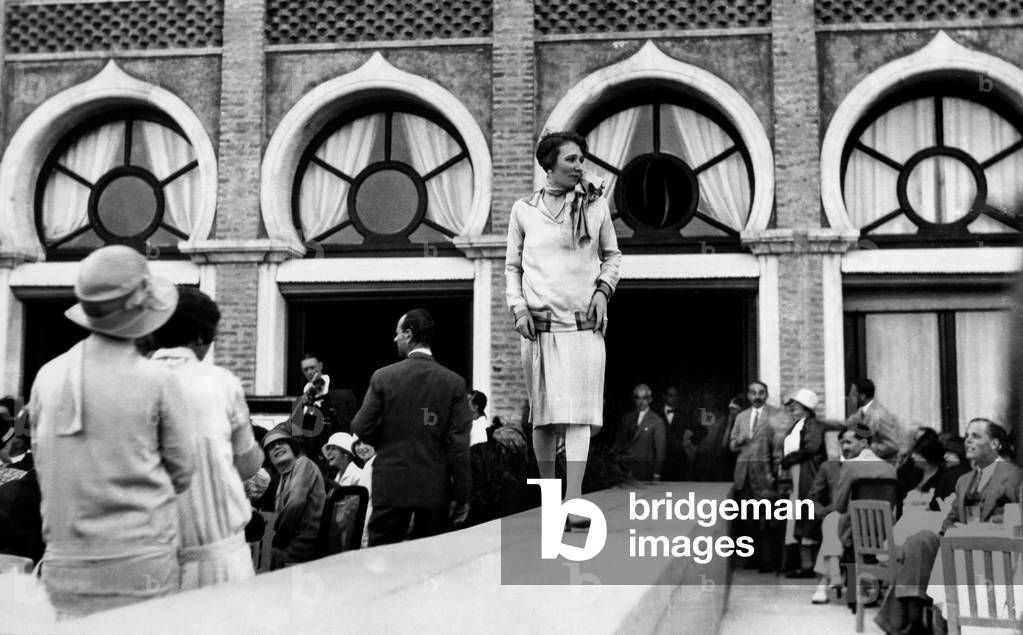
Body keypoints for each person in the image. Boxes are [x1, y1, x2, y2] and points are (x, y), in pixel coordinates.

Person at [28, 245, 194, 618]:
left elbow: (44, 467)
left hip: (66, 571)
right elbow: (182, 473)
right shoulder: (157, 380)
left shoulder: (47, 377)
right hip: (142, 572)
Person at [505, 130, 622, 529]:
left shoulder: (595, 205)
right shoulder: (523, 210)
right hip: (539, 329)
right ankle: (550, 502)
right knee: (544, 418)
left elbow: (612, 255)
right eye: (571, 159)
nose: (579, 165)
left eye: (581, 158)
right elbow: (512, 267)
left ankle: (574, 501)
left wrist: (604, 291)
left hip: (583, 328)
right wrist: (517, 308)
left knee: (577, 417)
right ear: (549, 164)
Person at [149, 287, 264, 589]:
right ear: (201, 337)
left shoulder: (130, 383)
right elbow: (247, 464)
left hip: (150, 560)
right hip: (219, 556)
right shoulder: (220, 382)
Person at [875, 418, 1023, 634]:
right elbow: (951, 519)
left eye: (976, 436)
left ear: (994, 444)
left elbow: (1016, 520)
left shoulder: (1013, 476)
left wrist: (977, 530)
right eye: (967, 436)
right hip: (959, 544)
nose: (968, 441)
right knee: (920, 540)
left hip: (994, 550)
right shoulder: (965, 480)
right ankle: (915, 622)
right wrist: (950, 533)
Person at [352, 309, 472, 546]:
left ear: (408, 334)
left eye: (397, 333)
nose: (394, 339)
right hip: (434, 490)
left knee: (383, 561)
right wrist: (462, 495)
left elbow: (360, 425)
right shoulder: (454, 383)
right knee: (429, 567)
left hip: (391, 485)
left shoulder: (383, 377)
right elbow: (459, 447)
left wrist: (386, 441)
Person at [774, 388, 830, 578]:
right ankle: (802, 563)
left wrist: (789, 459)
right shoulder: (798, 424)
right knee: (798, 518)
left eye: (795, 406)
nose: (792, 409)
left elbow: (811, 447)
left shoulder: (812, 424)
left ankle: (808, 566)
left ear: (806, 408)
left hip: (808, 474)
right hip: (797, 476)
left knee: (806, 518)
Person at [731, 380, 781, 567]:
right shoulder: (742, 417)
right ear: (748, 395)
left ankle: (768, 560)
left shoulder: (776, 414)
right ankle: (752, 558)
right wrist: (738, 441)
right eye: (753, 393)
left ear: (766, 395)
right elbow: (731, 444)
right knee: (748, 520)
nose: (757, 396)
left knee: (767, 518)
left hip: (765, 474)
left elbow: (779, 445)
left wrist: (775, 473)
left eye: (761, 393)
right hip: (744, 474)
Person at [262, 426, 324, 569]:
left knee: (250, 557)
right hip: (294, 545)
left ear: (292, 447)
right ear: (269, 459)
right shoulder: (284, 478)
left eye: (281, 442)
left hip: (301, 548)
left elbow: (295, 504)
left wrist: (276, 539)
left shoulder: (303, 463)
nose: (277, 446)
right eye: (271, 447)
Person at [616, 384, 666, 481]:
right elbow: (618, 444)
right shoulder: (626, 418)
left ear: (650, 399)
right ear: (634, 399)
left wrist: (657, 474)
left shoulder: (656, 421)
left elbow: (660, 452)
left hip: (644, 471)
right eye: (638, 398)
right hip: (624, 470)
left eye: (644, 398)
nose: (641, 401)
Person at [846, 378, 901, 462]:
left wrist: (864, 448)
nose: (849, 395)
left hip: (881, 467)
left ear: (862, 396)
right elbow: (847, 423)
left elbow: (892, 445)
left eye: (853, 393)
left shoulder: (880, 415)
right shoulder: (862, 410)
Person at [294, 353, 338, 459]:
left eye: (312, 368)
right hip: (316, 445)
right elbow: (308, 425)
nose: (309, 372)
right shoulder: (307, 389)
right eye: (305, 369)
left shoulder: (332, 386)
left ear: (320, 366)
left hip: (333, 440)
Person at [655, 385, 688, 480]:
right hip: (660, 459)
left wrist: (688, 442)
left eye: (675, 395)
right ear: (664, 397)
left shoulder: (684, 414)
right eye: (670, 395)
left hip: (679, 459)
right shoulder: (655, 413)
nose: (673, 398)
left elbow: (702, 430)